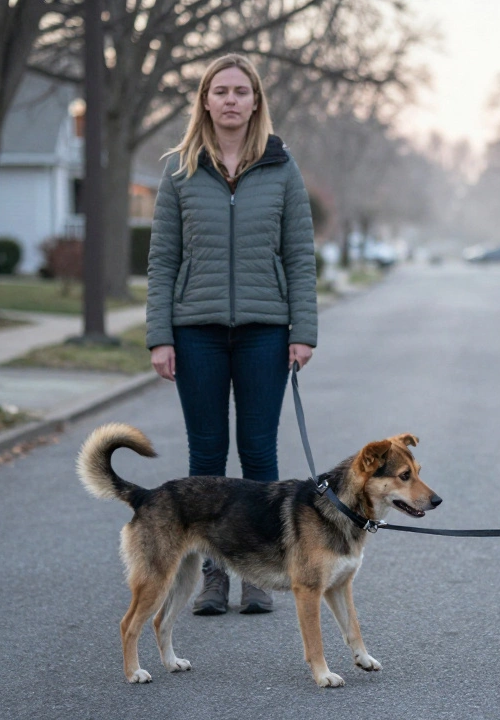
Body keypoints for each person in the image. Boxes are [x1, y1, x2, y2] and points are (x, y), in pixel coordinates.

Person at [145, 54, 318, 616]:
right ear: (204, 100)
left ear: (255, 101)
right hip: (194, 330)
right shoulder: (178, 169)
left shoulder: (282, 168)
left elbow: (299, 257)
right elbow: (163, 260)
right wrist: (160, 336)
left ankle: (259, 575)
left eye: (240, 92)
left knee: (260, 452)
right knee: (206, 456)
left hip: (266, 330)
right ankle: (214, 577)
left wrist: (303, 330)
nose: (230, 100)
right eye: (219, 91)